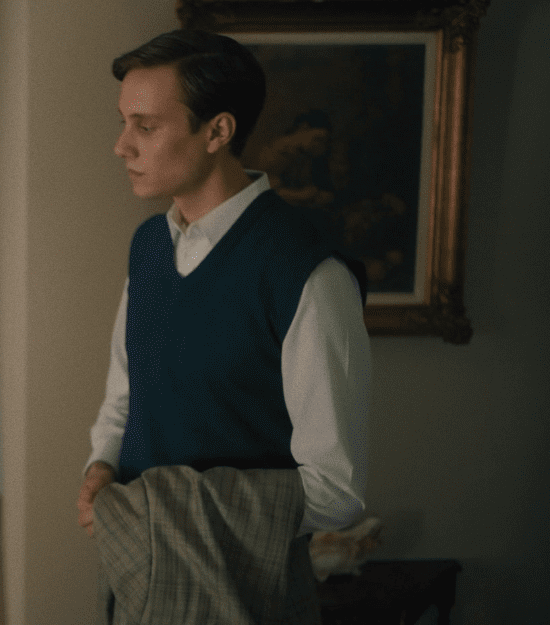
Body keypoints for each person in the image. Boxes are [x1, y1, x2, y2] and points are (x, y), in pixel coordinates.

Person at [75, 30, 370, 622]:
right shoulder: (149, 248)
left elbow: (337, 491)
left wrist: (165, 513)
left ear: (217, 132)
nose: (121, 146)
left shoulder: (308, 272)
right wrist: (101, 466)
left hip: (250, 589)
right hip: (138, 577)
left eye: (145, 126)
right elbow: (124, 400)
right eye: (123, 123)